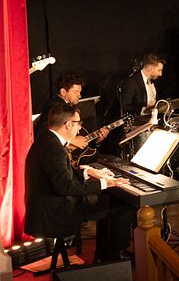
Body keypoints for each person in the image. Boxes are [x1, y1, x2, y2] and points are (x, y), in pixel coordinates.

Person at [25, 103, 132, 262]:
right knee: (123, 203)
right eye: (78, 123)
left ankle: (104, 256)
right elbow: (65, 186)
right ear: (68, 124)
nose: (80, 129)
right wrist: (105, 183)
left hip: (49, 205)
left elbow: (60, 174)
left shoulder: (46, 138)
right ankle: (115, 257)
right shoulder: (53, 147)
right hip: (55, 211)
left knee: (109, 200)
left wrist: (87, 172)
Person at [34, 72, 109, 149]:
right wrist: (71, 140)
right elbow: (41, 132)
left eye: (79, 92)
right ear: (63, 92)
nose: (79, 96)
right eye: (76, 92)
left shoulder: (65, 106)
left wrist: (97, 140)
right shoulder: (55, 107)